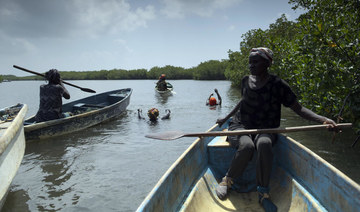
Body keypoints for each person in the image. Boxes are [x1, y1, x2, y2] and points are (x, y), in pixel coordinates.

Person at [215, 47, 337, 212]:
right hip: (241, 125)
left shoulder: (278, 84)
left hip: (267, 127)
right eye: (250, 62)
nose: (251, 65)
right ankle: (227, 180)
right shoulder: (245, 80)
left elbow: (298, 108)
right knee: (247, 146)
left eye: (255, 62)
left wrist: (323, 120)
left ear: (267, 63)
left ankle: (263, 193)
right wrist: (225, 118)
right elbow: (242, 102)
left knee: (264, 143)